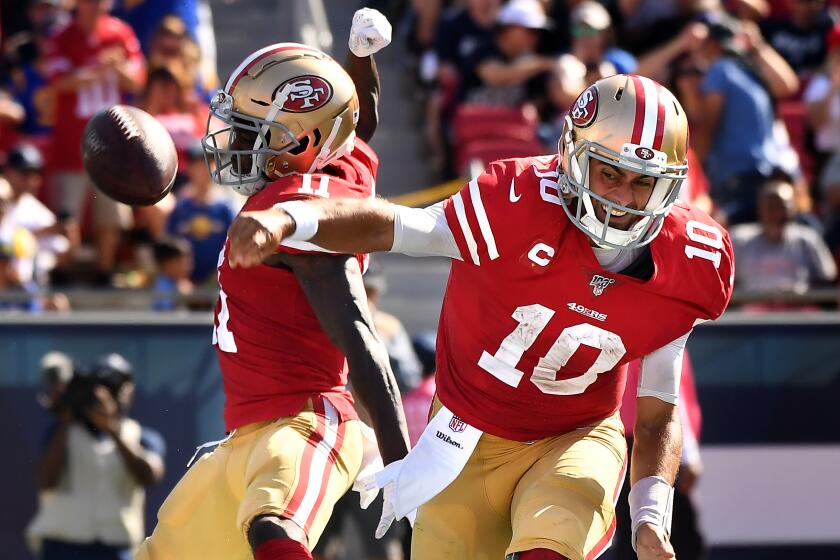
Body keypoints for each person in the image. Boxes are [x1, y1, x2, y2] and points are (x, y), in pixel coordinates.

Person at [226, 73, 735, 560]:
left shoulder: (691, 261)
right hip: (463, 437)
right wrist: (289, 218)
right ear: (573, 156)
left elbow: (658, 411)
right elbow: (397, 225)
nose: (624, 200)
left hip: (576, 435)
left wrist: (650, 517)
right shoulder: (515, 202)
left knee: (548, 547)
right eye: (609, 173)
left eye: (644, 182)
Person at [136, 9, 411, 560]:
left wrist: (405, 465)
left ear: (305, 144)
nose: (232, 140)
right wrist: (359, 55)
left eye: (249, 130)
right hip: (244, 433)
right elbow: (361, 122)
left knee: (274, 526)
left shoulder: (300, 209)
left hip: (306, 420)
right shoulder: (337, 165)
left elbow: (360, 340)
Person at [42, 0, 145, 284]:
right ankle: (60, 272)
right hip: (72, 142)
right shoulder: (63, 36)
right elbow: (57, 80)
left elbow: (136, 81)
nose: (95, 6)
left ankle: (104, 271)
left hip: (112, 143)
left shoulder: (121, 33)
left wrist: (119, 68)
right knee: (66, 215)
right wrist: (98, 69)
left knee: (111, 214)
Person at [27, 353, 166, 560]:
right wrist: (66, 418)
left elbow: (150, 475)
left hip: (116, 549)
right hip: (61, 547)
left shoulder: (141, 436)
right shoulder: (61, 432)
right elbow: (45, 481)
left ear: (130, 392)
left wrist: (112, 430)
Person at [730, 177, 837, 297]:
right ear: (760, 209)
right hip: (747, 311)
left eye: (783, 207)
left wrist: (798, 293)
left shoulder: (807, 239)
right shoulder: (739, 239)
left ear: (793, 209)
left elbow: (827, 279)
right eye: (772, 207)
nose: (778, 214)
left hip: (800, 310)